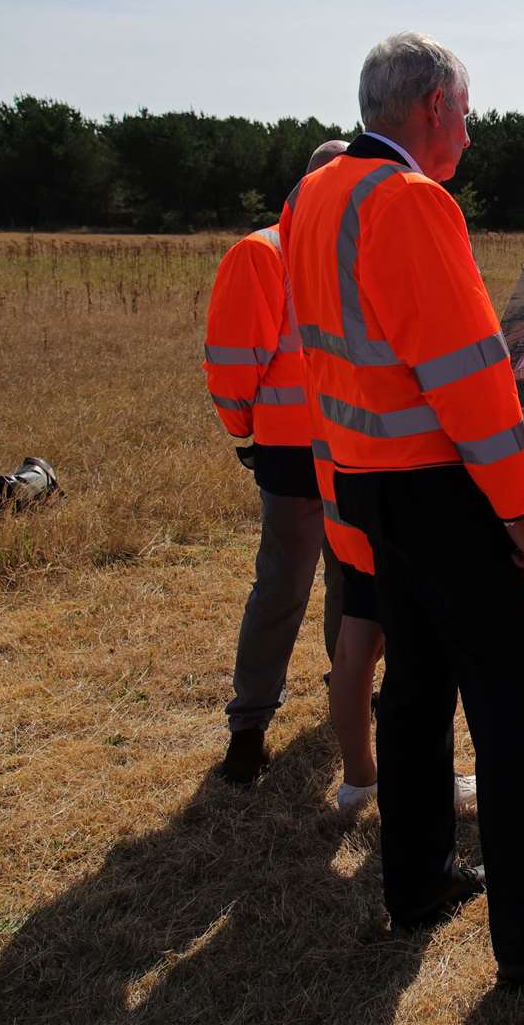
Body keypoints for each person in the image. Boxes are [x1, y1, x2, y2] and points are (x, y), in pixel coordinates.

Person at [278, 31, 524, 1008]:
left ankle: (416, 878)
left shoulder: (313, 194)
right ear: (436, 106)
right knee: (516, 692)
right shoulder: (410, 201)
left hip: (362, 480)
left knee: (415, 685)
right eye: (471, 116)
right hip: (437, 489)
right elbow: (469, 374)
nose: (473, 137)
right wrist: (517, 507)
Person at [294, 142, 478, 818]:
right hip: (402, 486)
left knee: (355, 637)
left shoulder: (309, 249)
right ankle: (426, 786)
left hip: (344, 478)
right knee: (419, 659)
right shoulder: (395, 215)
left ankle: (358, 779)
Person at [204, 169, 341, 785]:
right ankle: (250, 726)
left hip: (357, 450)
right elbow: (234, 362)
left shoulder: (346, 246)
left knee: (355, 585)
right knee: (284, 586)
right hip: (294, 452)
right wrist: (246, 435)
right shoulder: (262, 253)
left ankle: (350, 689)